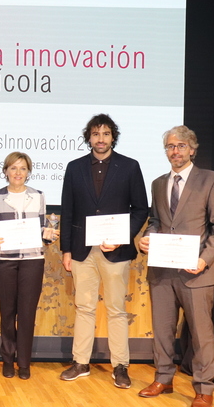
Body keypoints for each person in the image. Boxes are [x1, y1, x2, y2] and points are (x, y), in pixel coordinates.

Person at [138, 125, 214, 407]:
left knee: (202, 334)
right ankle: (163, 378)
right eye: (170, 146)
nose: (174, 151)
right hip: (162, 272)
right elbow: (156, 221)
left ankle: (204, 389)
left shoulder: (211, 180)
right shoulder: (158, 183)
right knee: (162, 331)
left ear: (192, 149)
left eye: (180, 146)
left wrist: (204, 259)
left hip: (197, 272)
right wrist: (146, 238)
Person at [59, 114, 148, 388]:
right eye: (96, 134)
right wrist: (65, 250)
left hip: (116, 252)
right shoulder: (74, 167)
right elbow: (67, 211)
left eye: (106, 134)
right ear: (89, 137)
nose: (101, 139)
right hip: (82, 251)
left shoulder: (130, 167)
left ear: (113, 137)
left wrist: (121, 238)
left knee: (116, 310)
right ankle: (80, 362)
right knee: (84, 308)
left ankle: (120, 366)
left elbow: (141, 209)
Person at [0, 152, 58, 380]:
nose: (18, 173)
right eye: (13, 168)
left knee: (27, 313)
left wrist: (48, 235)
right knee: (7, 312)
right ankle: (8, 359)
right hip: (4, 261)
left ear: (29, 172)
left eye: (23, 168)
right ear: (5, 171)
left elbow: (43, 229)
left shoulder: (38, 196)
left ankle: (24, 362)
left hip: (32, 261)